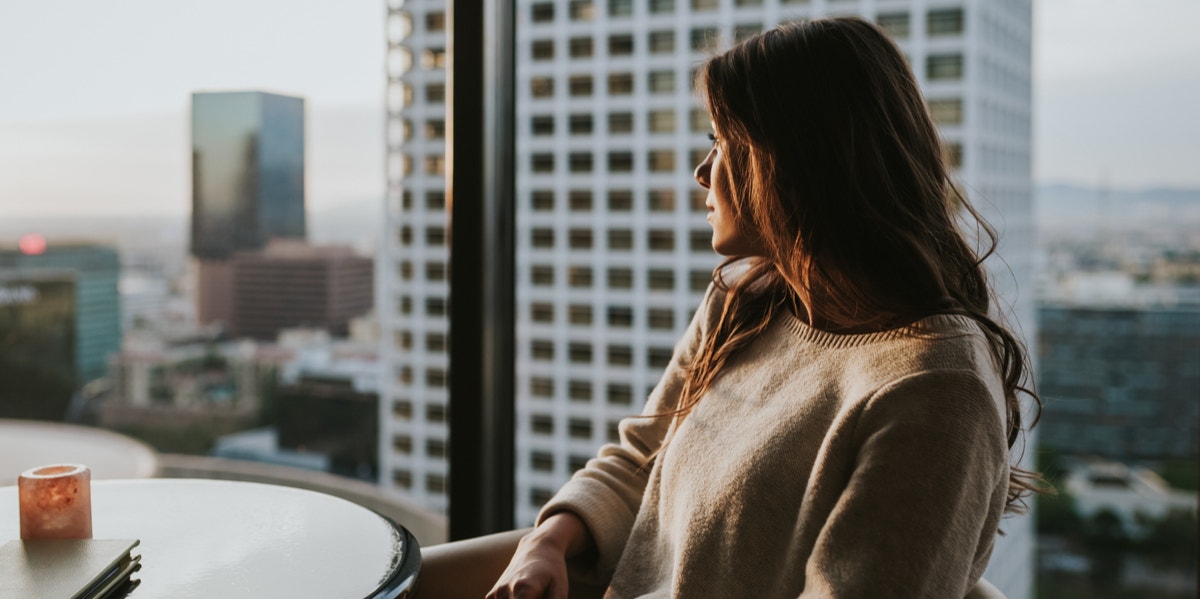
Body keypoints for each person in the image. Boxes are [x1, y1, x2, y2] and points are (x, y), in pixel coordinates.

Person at [473, 16, 1044, 599]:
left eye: (722, 143)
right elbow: (643, 456)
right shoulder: (744, 302)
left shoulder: (935, 389)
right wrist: (546, 541)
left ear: (798, 162)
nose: (701, 172)